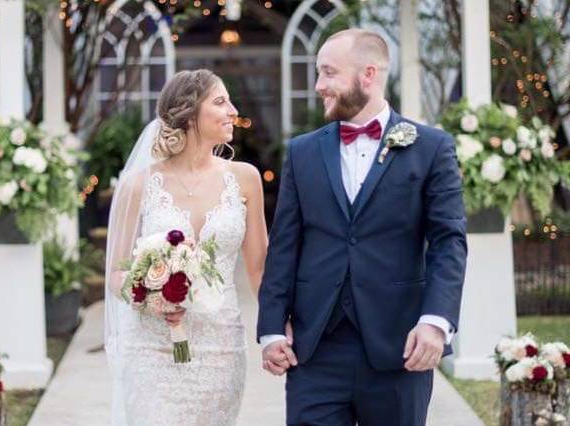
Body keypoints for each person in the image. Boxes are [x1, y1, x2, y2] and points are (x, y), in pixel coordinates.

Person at [257, 28, 468, 426]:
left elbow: (448, 242)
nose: (319, 85)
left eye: (329, 73)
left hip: (399, 347)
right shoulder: (302, 152)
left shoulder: (431, 148)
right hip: (315, 348)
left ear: (368, 75)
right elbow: (285, 243)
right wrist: (270, 327)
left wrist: (436, 322)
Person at [104, 69, 268, 425]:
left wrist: (276, 331)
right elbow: (116, 273)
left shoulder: (245, 179)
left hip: (221, 347)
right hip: (151, 347)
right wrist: (150, 297)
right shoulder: (138, 185)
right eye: (221, 102)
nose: (232, 110)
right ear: (190, 113)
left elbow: (259, 269)